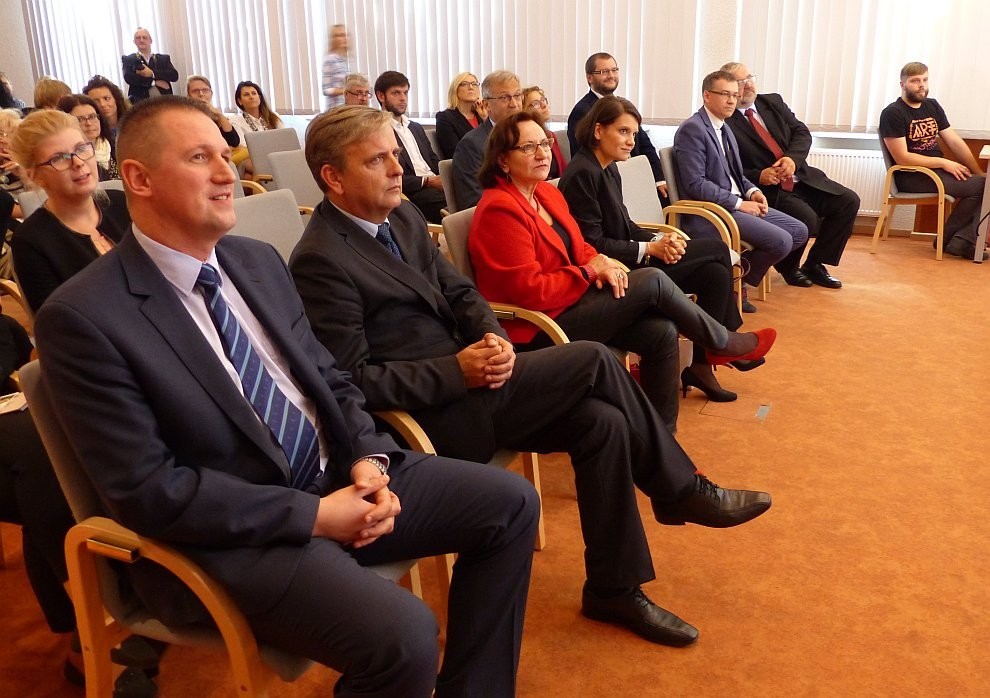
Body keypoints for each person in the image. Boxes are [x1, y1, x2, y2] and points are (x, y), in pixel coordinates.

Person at [33, 95, 539, 698]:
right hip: (237, 530)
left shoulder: (256, 261)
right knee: (405, 635)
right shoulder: (84, 316)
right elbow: (148, 490)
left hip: (337, 474)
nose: (226, 174)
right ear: (138, 179)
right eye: (199, 158)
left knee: (510, 504)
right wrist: (316, 517)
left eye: (225, 155)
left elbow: (330, 379)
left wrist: (369, 458)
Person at [289, 104, 773, 649]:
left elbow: (462, 293)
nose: (398, 168)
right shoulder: (321, 259)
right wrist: (456, 371)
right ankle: (680, 488)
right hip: (434, 418)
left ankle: (613, 588)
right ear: (333, 177)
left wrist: (489, 334)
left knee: (604, 423)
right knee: (593, 358)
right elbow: (350, 381)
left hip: (483, 374)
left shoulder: (399, 217)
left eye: (395, 154)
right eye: (377, 160)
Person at [469, 111, 777, 430]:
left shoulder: (546, 193)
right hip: (540, 325)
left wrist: (601, 263)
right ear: (503, 161)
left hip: (573, 302)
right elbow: (530, 291)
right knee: (654, 279)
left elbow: (580, 245)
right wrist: (590, 272)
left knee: (661, 332)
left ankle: (661, 436)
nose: (542, 153)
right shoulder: (500, 210)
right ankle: (722, 342)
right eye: (528, 147)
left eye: (544, 143)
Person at [560, 96, 750, 402]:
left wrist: (662, 240)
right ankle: (725, 341)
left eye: (634, 134)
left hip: (631, 258)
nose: (631, 142)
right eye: (623, 132)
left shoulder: (607, 167)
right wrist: (650, 248)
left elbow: (625, 225)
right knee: (716, 248)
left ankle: (703, 366)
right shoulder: (583, 172)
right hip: (618, 271)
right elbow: (592, 244)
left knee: (714, 272)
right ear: (598, 130)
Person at [721, 63, 858, 289]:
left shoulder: (772, 102)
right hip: (767, 188)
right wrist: (758, 176)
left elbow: (801, 132)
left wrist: (792, 159)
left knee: (847, 201)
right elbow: (726, 167)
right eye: (741, 82)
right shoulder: (725, 119)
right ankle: (789, 267)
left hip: (799, 177)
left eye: (750, 78)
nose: (749, 85)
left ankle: (815, 264)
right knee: (807, 219)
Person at [672, 70, 808, 291]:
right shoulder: (693, 129)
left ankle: (732, 278)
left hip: (734, 203)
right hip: (713, 211)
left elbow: (736, 175)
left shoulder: (725, 127)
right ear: (707, 95)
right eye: (725, 94)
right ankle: (734, 283)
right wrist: (739, 204)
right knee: (782, 241)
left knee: (799, 231)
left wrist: (753, 191)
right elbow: (696, 184)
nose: (732, 100)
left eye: (735, 95)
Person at [9, 110, 130, 313]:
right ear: (35, 176)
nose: (78, 162)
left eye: (81, 148)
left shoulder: (120, 202)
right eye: (59, 158)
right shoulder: (31, 241)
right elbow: (57, 322)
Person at [879, 61, 987, 259]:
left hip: (935, 172)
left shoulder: (932, 106)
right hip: (911, 175)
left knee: (985, 185)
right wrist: (944, 162)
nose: (921, 85)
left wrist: (978, 172)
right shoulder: (892, 113)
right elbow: (903, 158)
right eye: (915, 81)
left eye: (925, 80)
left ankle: (954, 240)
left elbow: (954, 142)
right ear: (902, 84)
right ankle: (959, 241)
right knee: (984, 187)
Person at [566, 53, 667, 202]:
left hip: (636, 177)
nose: (611, 75)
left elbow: (646, 145)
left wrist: (659, 179)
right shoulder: (583, 111)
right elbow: (588, 156)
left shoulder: (623, 106)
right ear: (589, 78)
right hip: (609, 184)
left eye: (614, 70)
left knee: (665, 198)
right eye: (604, 72)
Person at [374, 70, 446, 223]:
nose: (403, 98)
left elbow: (432, 159)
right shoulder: (378, 130)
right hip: (414, 192)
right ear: (381, 96)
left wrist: (446, 177)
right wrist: (427, 181)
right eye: (396, 93)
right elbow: (387, 176)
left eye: (405, 93)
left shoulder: (415, 127)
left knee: (471, 193)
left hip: (435, 184)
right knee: (457, 207)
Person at [452, 70, 522, 209]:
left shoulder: (527, 136)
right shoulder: (471, 145)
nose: (514, 104)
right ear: (486, 105)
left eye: (517, 96)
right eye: (505, 97)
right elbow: (473, 201)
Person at [57, 94, 119, 180]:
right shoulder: (68, 158)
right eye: (80, 119)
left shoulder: (115, 145)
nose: (89, 123)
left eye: (92, 117)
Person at [229, 80, 283, 177]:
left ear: (259, 97)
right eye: (246, 94)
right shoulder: (235, 120)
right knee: (256, 168)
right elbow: (242, 145)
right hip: (249, 158)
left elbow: (283, 139)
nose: (251, 96)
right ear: (239, 101)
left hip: (275, 156)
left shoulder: (274, 117)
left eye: (254, 93)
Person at [435, 72, 487, 159]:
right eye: (464, 84)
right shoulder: (445, 117)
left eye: (474, 84)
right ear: (455, 90)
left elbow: (497, 144)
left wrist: (486, 119)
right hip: (468, 164)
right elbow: (455, 153)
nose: (471, 87)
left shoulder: (482, 115)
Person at [121, 27, 178, 102]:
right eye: (138, 38)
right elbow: (129, 78)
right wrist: (154, 82)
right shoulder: (128, 59)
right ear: (134, 41)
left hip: (164, 101)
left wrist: (152, 73)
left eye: (144, 37)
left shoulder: (163, 59)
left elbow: (174, 75)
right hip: (139, 102)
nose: (141, 40)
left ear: (150, 40)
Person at [522, 85, 567, 178]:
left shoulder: (551, 135)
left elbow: (565, 171)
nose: (544, 105)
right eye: (536, 103)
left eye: (543, 100)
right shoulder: (523, 140)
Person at [186, 75, 241, 148]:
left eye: (205, 90)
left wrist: (219, 115)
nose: (201, 94)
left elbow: (234, 142)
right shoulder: (185, 117)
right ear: (188, 95)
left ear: (211, 94)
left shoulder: (215, 115)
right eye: (195, 91)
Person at [82, 75, 131, 142]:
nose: (102, 104)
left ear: (116, 99)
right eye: (96, 101)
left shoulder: (132, 122)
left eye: (106, 98)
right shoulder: (91, 133)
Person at [321, 24, 349, 110]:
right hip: (335, 109)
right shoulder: (330, 60)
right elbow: (326, 90)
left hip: (345, 108)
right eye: (339, 35)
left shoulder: (343, 60)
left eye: (344, 35)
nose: (343, 38)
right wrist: (346, 91)